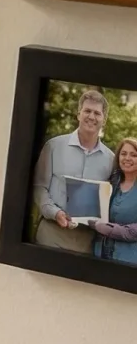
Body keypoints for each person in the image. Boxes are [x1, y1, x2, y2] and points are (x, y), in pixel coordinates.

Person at [32, 88, 113, 254]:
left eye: (97, 113)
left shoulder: (111, 160)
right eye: (87, 111)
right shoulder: (53, 146)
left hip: (87, 245)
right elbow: (38, 187)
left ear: (104, 120)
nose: (91, 116)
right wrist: (55, 213)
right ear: (78, 114)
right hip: (50, 238)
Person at [93, 138, 137, 264]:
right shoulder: (111, 182)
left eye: (134, 155)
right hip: (99, 255)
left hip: (129, 260)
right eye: (123, 154)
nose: (127, 158)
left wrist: (110, 229)